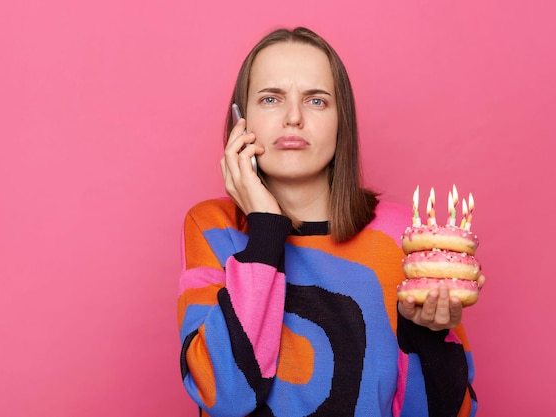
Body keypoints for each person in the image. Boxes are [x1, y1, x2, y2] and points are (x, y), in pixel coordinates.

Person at [178, 27, 481, 417]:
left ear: (342, 122)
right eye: (271, 99)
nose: (293, 118)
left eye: (316, 101)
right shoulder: (211, 226)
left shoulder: (402, 235)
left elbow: (453, 412)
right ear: (241, 120)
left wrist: (427, 334)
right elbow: (225, 396)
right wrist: (267, 228)